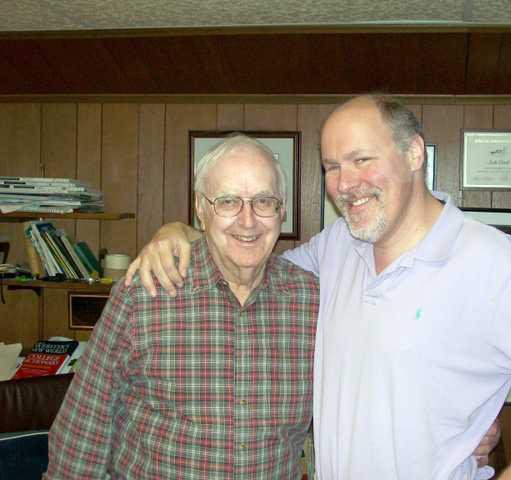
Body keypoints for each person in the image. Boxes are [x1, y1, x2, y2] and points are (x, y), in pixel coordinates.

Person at [126, 95, 511, 479]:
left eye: (362, 159)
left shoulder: (489, 262)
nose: (346, 183)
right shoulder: (339, 245)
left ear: (413, 153)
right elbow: (249, 259)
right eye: (332, 167)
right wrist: (180, 232)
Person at [44, 135, 320, 479]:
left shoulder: (311, 302)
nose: (248, 221)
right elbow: (83, 432)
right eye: (228, 202)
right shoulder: (143, 296)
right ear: (201, 209)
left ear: (282, 210)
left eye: (263, 201)